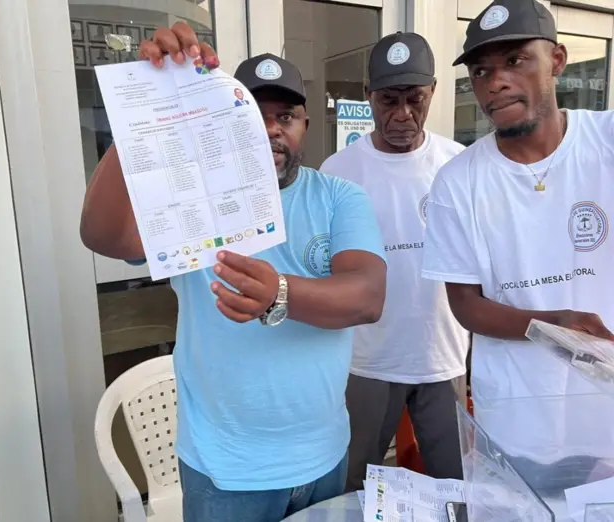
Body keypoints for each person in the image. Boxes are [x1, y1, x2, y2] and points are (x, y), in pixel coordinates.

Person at [80, 22, 387, 522]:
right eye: (252, 116)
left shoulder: (338, 197)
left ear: (306, 124)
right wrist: (149, 111)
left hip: (324, 456)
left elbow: (367, 297)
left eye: (285, 116)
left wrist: (279, 292)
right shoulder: (192, 200)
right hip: (225, 469)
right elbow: (104, 237)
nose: (271, 129)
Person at [422, 0, 614, 491]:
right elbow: (464, 305)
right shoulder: (457, 181)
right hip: (516, 423)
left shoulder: (606, 142)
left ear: (557, 59)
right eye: (482, 70)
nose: (495, 82)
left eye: (515, 61)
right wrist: (552, 327)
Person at [320, 32, 469, 491]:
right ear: (367, 97)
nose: (402, 114)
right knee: (354, 485)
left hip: (443, 357)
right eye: (388, 100)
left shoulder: (458, 165)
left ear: (433, 94)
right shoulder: (338, 172)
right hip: (367, 360)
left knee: (457, 489)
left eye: (414, 99)